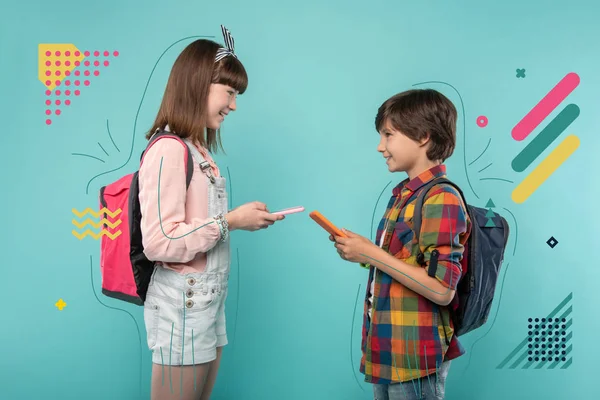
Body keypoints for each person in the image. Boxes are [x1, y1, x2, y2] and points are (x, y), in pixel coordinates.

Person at [138, 26, 284, 400]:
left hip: (206, 303)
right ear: (199, 84)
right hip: (181, 306)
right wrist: (230, 221)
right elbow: (160, 241)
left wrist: (237, 219)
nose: (233, 105)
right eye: (230, 93)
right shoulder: (169, 150)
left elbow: (192, 224)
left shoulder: (198, 150)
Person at [331, 89, 472, 399]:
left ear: (422, 135)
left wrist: (373, 255)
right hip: (388, 349)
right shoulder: (404, 196)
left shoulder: (441, 198)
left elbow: (441, 289)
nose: (380, 146)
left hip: (415, 358)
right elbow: (405, 263)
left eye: (388, 135)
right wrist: (363, 251)